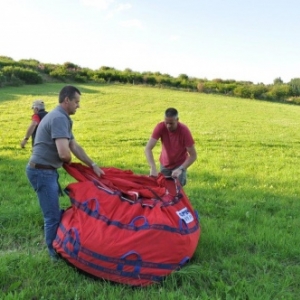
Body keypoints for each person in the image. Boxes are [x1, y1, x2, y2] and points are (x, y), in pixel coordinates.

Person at [26, 85, 105, 261]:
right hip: (41, 172)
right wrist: (71, 164)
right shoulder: (59, 118)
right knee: (52, 215)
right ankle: (54, 253)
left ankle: (59, 243)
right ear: (67, 100)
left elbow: (74, 146)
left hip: (46, 170)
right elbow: (64, 153)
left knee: (55, 211)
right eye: (76, 102)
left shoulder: (61, 117)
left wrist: (92, 164)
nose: (78, 106)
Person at [145, 107, 197, 186]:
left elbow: (193, 155)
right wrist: (153, 167)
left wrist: (181, 169)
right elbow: (148, 148)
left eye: (171, 123)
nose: (168, 126)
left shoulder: (184, 131)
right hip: (165, 164)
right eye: (166, 123)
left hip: (180, 164)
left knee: (177, 191)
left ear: (177, 120)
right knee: (163, 188)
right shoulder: (160, 127)